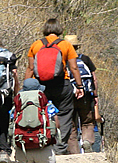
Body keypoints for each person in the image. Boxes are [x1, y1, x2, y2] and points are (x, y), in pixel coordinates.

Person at [25, 18, 86, 155]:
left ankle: (41, 144)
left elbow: (30, 68)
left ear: (45, 29)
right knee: (64, 116)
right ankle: (59, 148)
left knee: (41, 114)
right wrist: (80, 86)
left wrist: (25, 88)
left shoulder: (36, 45)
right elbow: (74, 67)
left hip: (40, 85)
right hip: (61, 85)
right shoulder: (66, 45)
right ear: (59, 30)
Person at [64, 35, 102, 153]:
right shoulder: (85, 59)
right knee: (87, 121)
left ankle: (73, 151)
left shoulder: (62, 60)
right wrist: (95, 95)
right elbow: (94, 79)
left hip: (68, 96)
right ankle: (87, 141)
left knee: (71, 124)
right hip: (85, 94)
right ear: (77, 46)